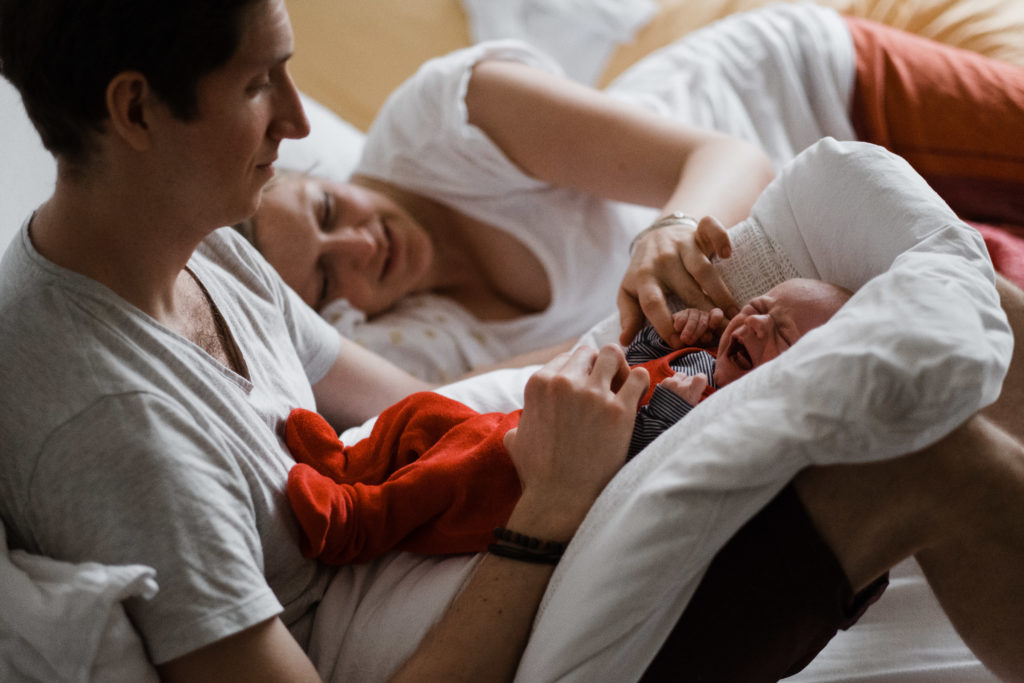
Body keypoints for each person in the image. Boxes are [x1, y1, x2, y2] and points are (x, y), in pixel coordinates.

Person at [0, 3, 1021, 683]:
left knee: (906, 289)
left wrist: (642, 378)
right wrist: (547, 507)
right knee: (933, 441)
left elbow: (412, 404)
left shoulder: (204, 247)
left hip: (480, 531)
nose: (303, 122)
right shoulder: (112, 425)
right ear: (135, 109)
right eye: (260, 87)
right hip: (483, 613)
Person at [242, 2, 1024, 384]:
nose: (357, 246)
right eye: (322, 275)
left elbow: (729, 154)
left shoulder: (445, 119)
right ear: (329, 314)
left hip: (805, 96)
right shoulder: (428, 339)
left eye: (326, 212)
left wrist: (671, 226)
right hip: (807, 249)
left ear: (319, 175)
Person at [282, 277, 852, 566]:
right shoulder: (702, 358)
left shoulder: (725, 422)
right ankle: (349, 461)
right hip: (526, 425)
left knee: (456, 471)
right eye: (758, 308)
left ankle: (355, 523)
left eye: (782, 335)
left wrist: (674, 410)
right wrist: (666, 336)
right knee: (426, 412)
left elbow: (633, 473)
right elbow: (625, 364)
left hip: (529, 485)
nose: (755, 326)